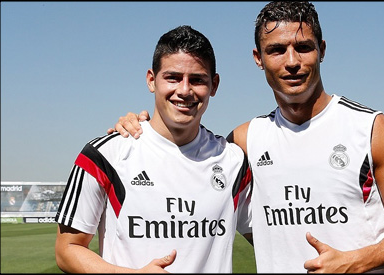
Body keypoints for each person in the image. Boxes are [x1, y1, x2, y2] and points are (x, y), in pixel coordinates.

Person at [110, 1, 384, 273]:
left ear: (321, 50)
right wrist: (139, 128)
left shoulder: (372, 130)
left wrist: (354, 261)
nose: (292, 61)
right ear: (259, 59)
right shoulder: (243, 142)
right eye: (277, 50)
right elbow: (180, 159)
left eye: (303, 48)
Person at [55, 25, 252, 273]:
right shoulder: (105, 155)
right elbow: (66, 250)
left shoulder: (233, 161)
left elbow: (274, 235)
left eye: (197, 80)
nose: (184, 90)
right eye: (173, 77)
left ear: (214, 85)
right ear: (151, 80)